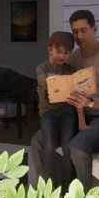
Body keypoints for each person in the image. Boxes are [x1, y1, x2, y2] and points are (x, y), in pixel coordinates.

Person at [31, 10, 99, 190]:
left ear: (94, 29)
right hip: (78, 114)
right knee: (38, 141)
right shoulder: (73, 57)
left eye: (83, 30)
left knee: (77, 146)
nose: (79, 36)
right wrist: (46, 87)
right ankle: (46, 192)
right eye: (75, 32)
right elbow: (64, 83)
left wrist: (88, 102)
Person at [34, 31, 87, 189]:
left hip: (66, 112)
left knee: (67, 145)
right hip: (48, 113)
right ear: (50, 49)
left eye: (66, 53)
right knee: (49, 145)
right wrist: (63, 85)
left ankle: (66, 184)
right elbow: (44, 83)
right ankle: (50, 185)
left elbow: (77, 92)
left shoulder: (69, 70)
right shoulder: (42, 68)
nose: (62, 56)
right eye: (58, 52)